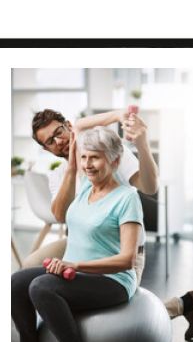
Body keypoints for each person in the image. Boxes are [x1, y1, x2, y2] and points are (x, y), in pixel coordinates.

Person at [11, 127, 144, 342]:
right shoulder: (85, 187)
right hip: (73, 273)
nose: (88, 164)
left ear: (115, 160)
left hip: (111, 281)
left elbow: (127, 260)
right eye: (84, 157)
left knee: (41, 287)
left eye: (95, 158)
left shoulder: (127, 197)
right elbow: (79, 131)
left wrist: (75, 264)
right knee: (16, 283)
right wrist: (73, 163)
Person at [22, 108, 159, 286]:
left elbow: (149, 187)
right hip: (82, 244)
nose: (59, 141)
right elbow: (60, 215)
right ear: (46, 149)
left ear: (68, 126)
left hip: (117, 249)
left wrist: (142, 144)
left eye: (59, 132)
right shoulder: (58, 175)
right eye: (50, 141)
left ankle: (178, 305)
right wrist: (71, 169)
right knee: (29, 266)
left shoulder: (109, 154)